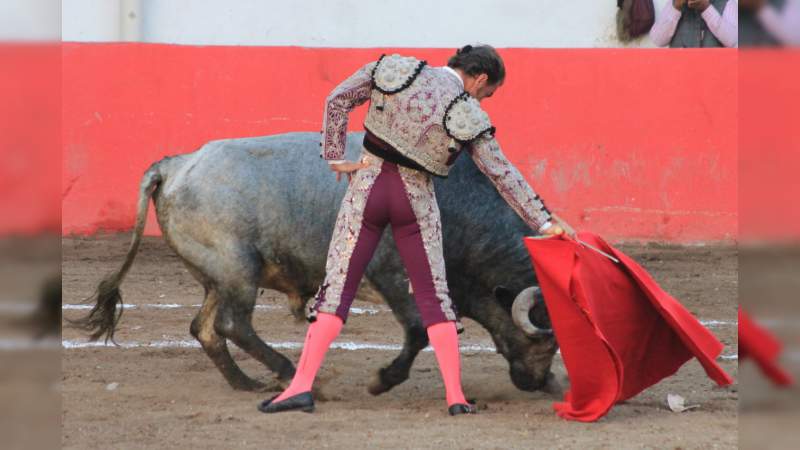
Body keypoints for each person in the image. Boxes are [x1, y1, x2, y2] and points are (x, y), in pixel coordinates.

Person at [258, 45, 572, 416]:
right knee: (434, 296)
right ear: (481, 78)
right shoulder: (467, 113)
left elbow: (337, 99)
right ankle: (455, 397)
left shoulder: (394, 70)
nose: (484, 99)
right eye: (488, 93)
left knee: (338, 288)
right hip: (415, 199)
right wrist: (546, 222)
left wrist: (335, 155)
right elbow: (503, 174)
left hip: (367, 190)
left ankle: (300, 387)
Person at [650, 0, 738, 47]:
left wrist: (707, 9)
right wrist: (675, 8)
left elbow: (733, 41)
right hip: (680, 75)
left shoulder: (727, 3)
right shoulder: (673, 4)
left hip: (714, 75)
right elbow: (658, 40)